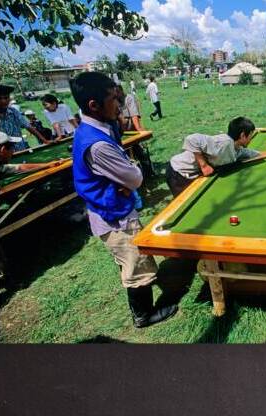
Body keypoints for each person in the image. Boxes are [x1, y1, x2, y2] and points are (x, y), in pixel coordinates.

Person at [68, 71, 178, 328]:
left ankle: (142, 305)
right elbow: (136, 177)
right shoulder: (98, 145)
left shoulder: (93, 127)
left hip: (109, 207)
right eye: (113, 100)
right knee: (135, 263)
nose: (119, 105)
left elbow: (127, 177)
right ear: (94, 105)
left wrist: (125, 180)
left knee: (130, 260)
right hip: (115, 217)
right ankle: (143, 315)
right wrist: (129, 177)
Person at [165, 117, 266, 197]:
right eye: (250, 135)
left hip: (190, 173)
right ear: (243, 135)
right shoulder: (223, 143)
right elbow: (192, 139)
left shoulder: (237, 149)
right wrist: (204, 165)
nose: (251, 138)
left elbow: (256, 154)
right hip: (178, 171)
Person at [0, 84, 49, 151]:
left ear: (9, 99)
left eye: (6, 98)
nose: (3, 101)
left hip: (20, 150)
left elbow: (28, 126)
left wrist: (45, 141)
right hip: (2, 154)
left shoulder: (13, 111)